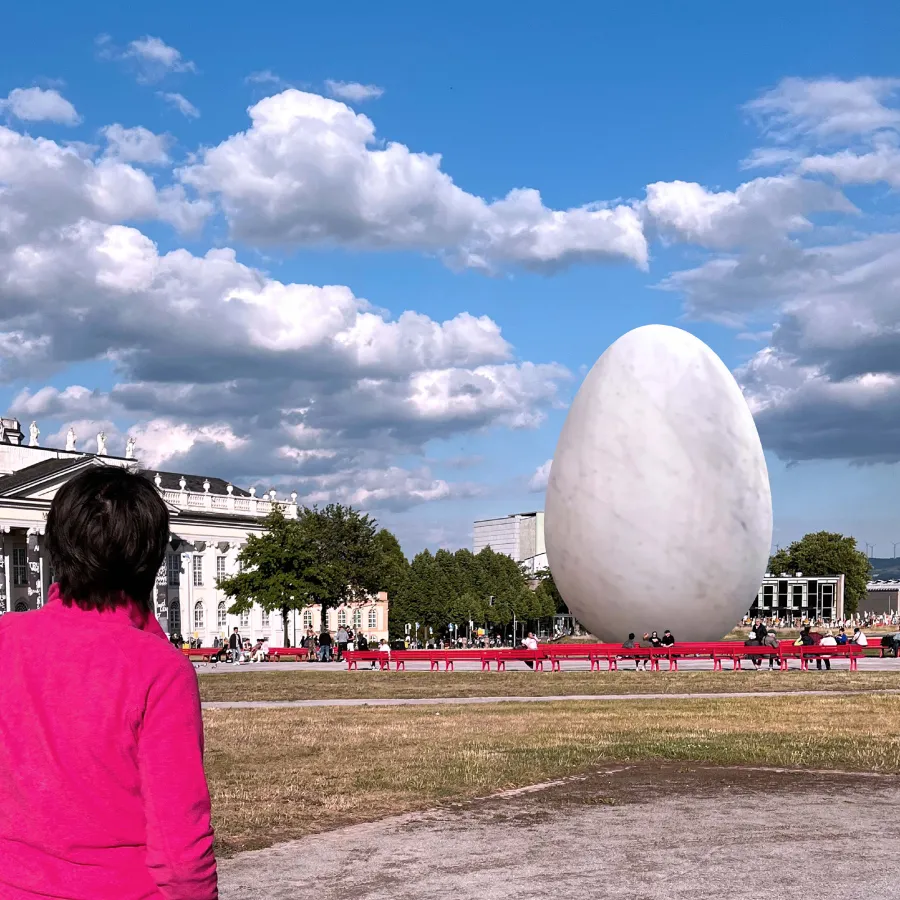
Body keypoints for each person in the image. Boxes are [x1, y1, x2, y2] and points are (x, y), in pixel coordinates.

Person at [0, 465, 217, 899]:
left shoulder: (6, 639)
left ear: (56, 547)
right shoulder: (158, 668)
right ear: (151, 558)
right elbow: (178, 841)